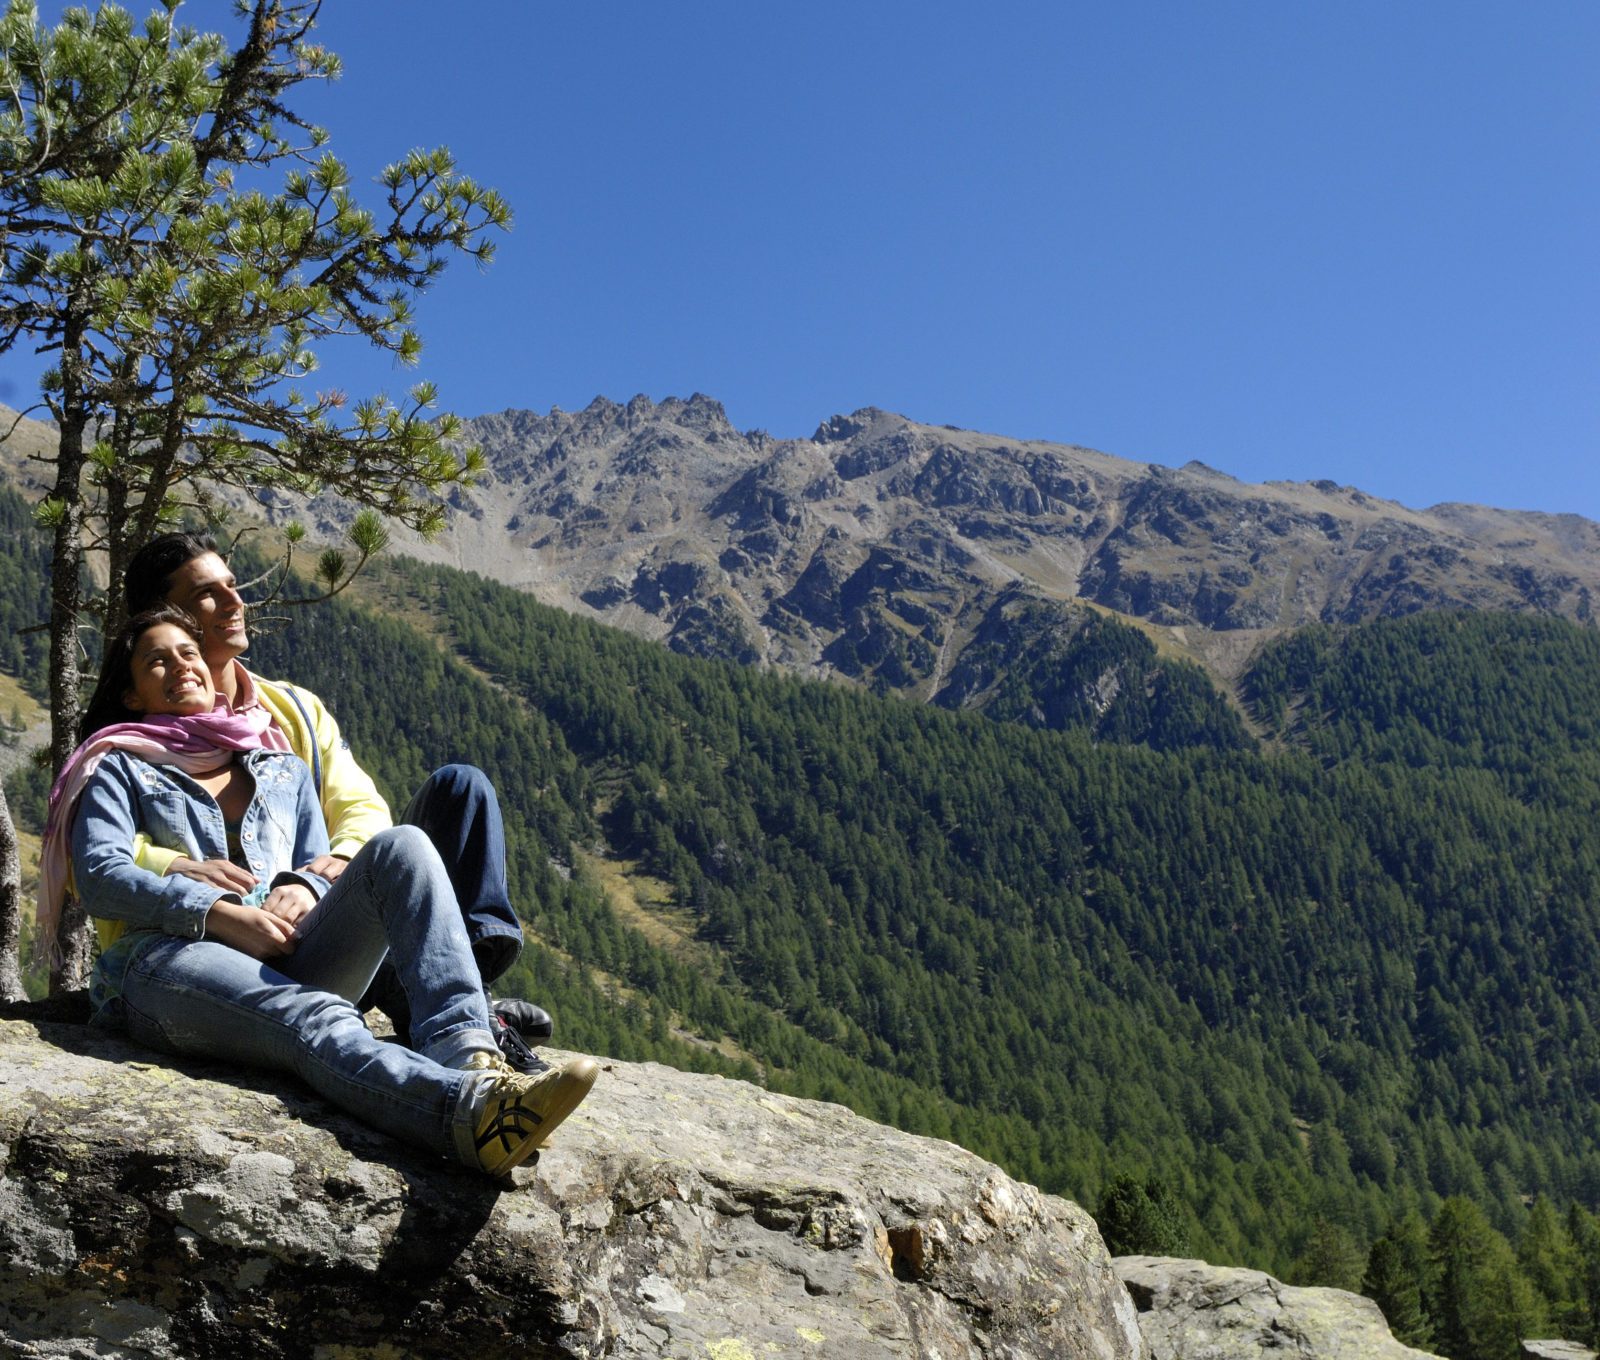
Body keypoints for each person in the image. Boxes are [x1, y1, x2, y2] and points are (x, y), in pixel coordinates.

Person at [37, 606, 597, 1175]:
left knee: (403, 845)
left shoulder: (281, 766)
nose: (181, 666)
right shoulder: (118, 767)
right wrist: (216, 912)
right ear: (132, 696)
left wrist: (305, 883)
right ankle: (468, 1117)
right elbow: (101, 877)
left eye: (188, 653)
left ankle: (473, 1060)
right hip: (167, 962)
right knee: (316, 1014)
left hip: (290, 949)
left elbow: (319, 860)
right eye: (156, 661)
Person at [121, 532, 550, 1070]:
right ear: (166, 616)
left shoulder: (293, 710)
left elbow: (362, 807)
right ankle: (450, 1011)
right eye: (207, 594)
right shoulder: (131, 736)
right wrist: (178, 867)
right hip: (227, 952)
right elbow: (96, 856)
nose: (235, 602)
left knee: (459, 789)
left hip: (325, 918)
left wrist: (323, 873)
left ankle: (471, 990)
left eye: (232, 586)